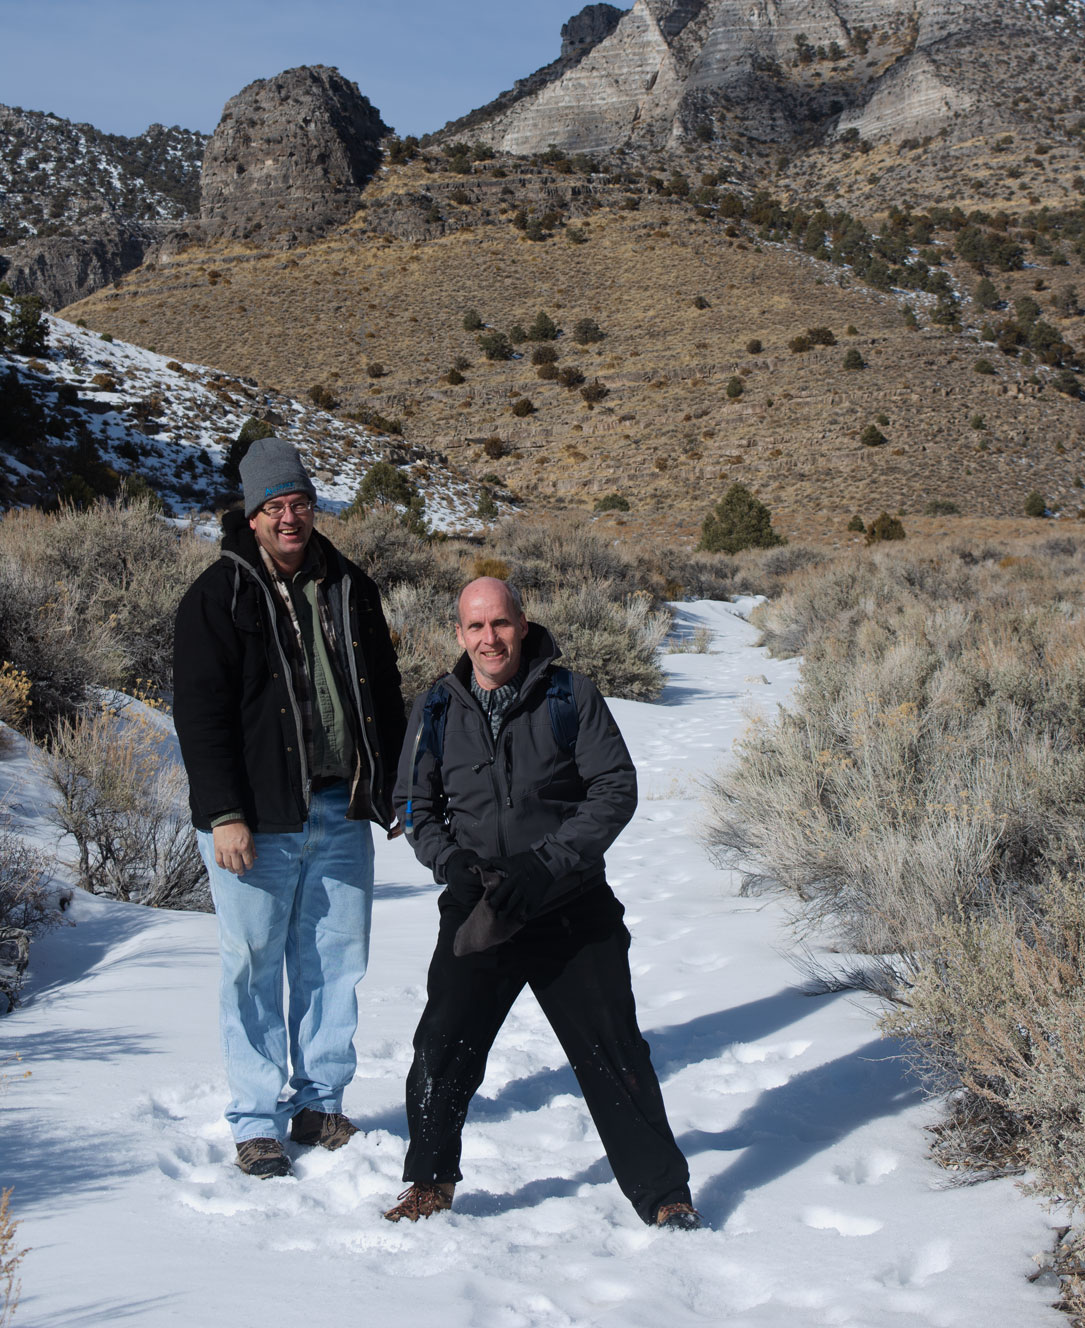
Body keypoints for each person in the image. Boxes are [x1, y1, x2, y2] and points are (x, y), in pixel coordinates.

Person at [386, 575, 699, 1229]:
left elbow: (614, 787)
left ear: (522, 625)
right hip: (481, 905)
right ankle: (429, 1182)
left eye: (499, 623)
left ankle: (664, 1193)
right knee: (443, 1047)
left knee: (613, 1050)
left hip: (569, 904)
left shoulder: (568, 695)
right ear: (458, 634)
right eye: (475, 626)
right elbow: (413, 803)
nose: (489, 638)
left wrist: (549, 863)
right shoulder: (438, 708)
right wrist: (450, 864)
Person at [173, 438, 405, 1179]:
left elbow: (383, 696)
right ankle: (253, 1118)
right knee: (251, 966)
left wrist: (391, 788)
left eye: (300, 502)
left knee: (335, 964)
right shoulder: (218, 595)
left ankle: (319, 1102)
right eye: (275, 505)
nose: (290, 517)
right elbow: (200, 718)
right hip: (257, 820)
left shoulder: (349, 586)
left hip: (339, 812)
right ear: (252, 513)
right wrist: (222, 813)